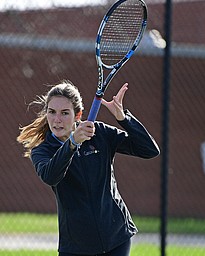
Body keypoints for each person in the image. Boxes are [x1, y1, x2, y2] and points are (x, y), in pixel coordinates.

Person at [17, 80, 160, 256]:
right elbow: (50, 176)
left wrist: (123, 118)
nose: (57, 120)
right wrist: (72, 143)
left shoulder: (98, 132)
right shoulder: (42, 150)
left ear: (78, 115)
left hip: (116, 237)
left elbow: (149, 150)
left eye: (64, 113)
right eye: (52, 112)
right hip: (76, 246)